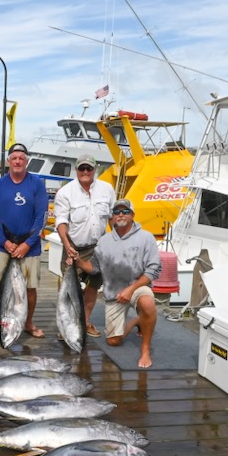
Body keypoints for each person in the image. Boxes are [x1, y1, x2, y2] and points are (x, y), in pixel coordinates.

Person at [71, 198, 161, 368]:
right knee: (113, 341)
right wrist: (79, 262)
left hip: (138, 287)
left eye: (125, 211)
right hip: (114, 294)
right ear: (112, 217)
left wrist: (130, 290)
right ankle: (137, 321)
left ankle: (145, 350)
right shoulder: (104, 241)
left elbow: (153, 271)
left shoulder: (146, 238)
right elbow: (95, 268)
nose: (121, 214)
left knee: (148, 303)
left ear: (133, 215)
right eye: (117, 212)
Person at [0, 142, 48, 338]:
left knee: (31, 287)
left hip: (30, 247)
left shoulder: (37, 184)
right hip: (1, 246)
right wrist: (5, 242)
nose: (17, 161)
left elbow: (41, 218)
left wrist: (27, 244)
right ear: (9, 161)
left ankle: (28, 322)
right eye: (14, 158)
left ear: (26, 162)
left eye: (21, 158)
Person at [53, 153, 115, 337]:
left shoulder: (107, 189)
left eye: (89, 168)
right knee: (68, 290)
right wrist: (67, 245)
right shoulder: (65, 192)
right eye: (82, 168)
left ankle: (85, 322)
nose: (85, 171)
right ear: (76, 170)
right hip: (73, 248)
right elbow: (61, 221)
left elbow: (112, 218)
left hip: (98, 248)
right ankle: (68, 325)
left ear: (95, 170)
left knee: (93, 287)